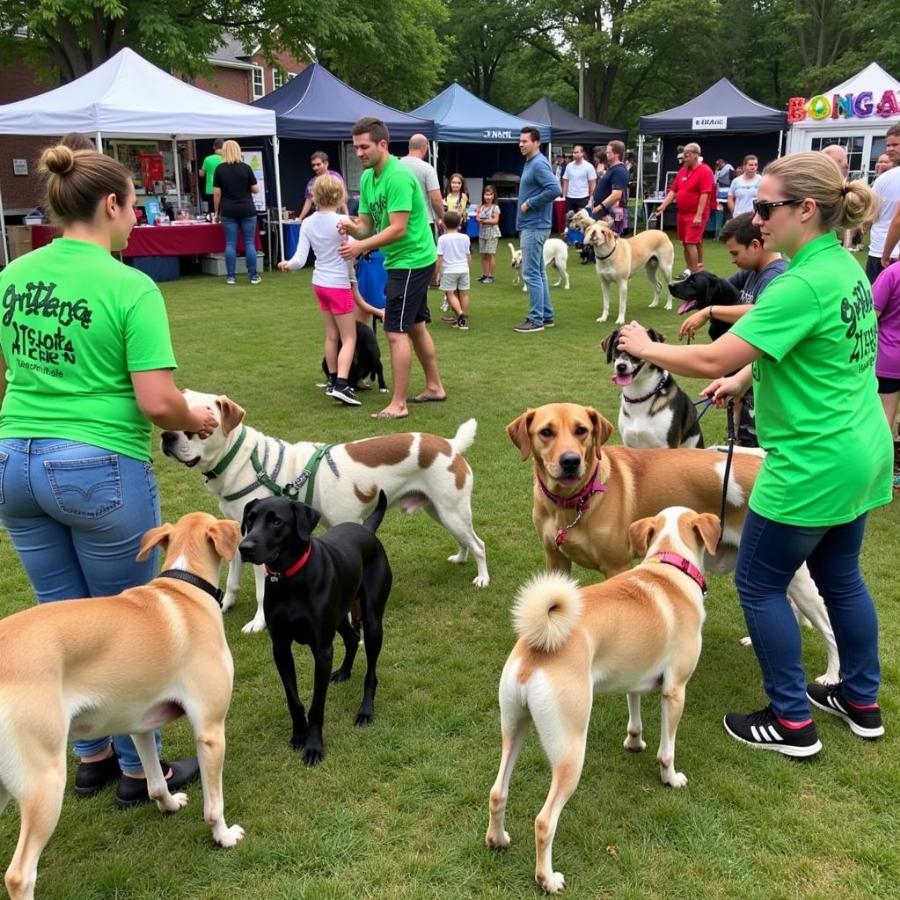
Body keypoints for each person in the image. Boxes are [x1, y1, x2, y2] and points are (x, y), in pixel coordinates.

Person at [617, 151, 891, 757]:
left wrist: (646, 346)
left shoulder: (799, 281)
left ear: (805, 209)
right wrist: (743, 383)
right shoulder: (843, 267)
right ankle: (860, 697)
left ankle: (791, 721)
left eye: (765, 207)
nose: (754, 218)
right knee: (840, 576)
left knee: (758, 581)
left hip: (814, 461)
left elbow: (715, 355)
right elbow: (811, 349)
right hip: (861, 448)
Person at [0, 144, 218, 807]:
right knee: (131, 630)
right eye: (134, 206)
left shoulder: (14, 275)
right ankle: (131, 769)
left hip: (14, 462)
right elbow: (157, 401)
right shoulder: (131, 285)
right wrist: (197, 419)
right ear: (111, 205)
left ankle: (86, 754)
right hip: (95, 467)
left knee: (60, 618)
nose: (137, 219)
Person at [338, 117, 446, 419]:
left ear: (382, 144)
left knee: (395, 331)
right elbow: (367, 226)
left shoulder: (398, 176)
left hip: (411, 259)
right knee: (414, 325)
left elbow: (398, 228)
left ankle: (398, 404)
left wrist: (362, 246)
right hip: (400, 260)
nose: (359, 153)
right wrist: (351, 227)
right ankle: (435, 387)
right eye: (355, 147)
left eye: (364, 147)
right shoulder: (367, 178)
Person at [679, 213, 788, 446]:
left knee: (756, 446)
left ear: (756, 246)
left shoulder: (775, 276)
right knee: (741, 435)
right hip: (748, 371)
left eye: (735, 253)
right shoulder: (751, 272)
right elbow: (720, 286)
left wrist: (709, 311)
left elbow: (759, 310)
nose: (732, 259)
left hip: (764, 377)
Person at [277, 174, 366, 406]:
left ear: (315, 196)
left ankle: (333, 379)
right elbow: (353, 251)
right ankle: (342, 385)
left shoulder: (307, 222)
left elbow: (299, 259)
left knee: (331, 335)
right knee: (349, 338)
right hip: (338, 284)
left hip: (320, 283)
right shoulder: (344, 221)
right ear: (340, 195)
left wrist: (287, 265)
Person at [513, 126, 560, 333]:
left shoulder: (539, 163)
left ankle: (536, 320)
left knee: (531, 273)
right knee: (538, 272)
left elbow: (555, 189)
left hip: (535, 225)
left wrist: (530, 203)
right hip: (533, 225)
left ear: (536, 143)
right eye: (520, 141)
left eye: (525, 141)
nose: (521, 144)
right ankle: (546, 316)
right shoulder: (531, 162)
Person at [650, 142, 715, 274]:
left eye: (687, 155)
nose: (684, 158)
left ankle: (696, 272)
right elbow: (673, 191)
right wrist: (662, 207)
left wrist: (698, 215)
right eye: (683, 155)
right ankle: (690, 268)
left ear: (696, 155)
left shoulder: (705, 171)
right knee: (685, 242)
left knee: (691, 242)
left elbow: (705, 194)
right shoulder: (682, 171)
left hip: (696, 213)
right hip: (682, 213)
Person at [213, 139, 260, 286]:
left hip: (228, 210)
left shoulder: (219, 169)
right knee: (249, 243)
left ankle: (231, 276)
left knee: (230, 244)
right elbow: (256, 189)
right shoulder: (246, 168)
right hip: (247, 209)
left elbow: (217, 194)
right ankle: (253, 275)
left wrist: (216, 212)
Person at [871, 263, 900, 487]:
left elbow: (871, 315)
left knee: (883, 421)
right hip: (890, 359)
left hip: (889, 357)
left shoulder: (892, 273)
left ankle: (879, 474)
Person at [866, 125, 900, 282]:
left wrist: (886, 254)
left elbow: (897, 220)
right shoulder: (884, 179)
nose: (890, 149)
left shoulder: (883, 179)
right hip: (880, 247)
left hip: (885, 253)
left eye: (895, 144)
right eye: (888, 145)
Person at [436, 211, 472, 330]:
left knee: (450, 294)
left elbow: (440, 257)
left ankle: (460, 314)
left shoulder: (442, 239)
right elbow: (468, 255)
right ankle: (463, 318)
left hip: (449, 270)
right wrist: (468, 268)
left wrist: (437, 272)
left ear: (444, 224)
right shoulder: (465, 237)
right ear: (459, 224)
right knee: (464, 293)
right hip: (463, 269)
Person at [400, 134, 445, 229]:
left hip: (399, 221)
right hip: (424, 220)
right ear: (425, 147)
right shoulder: (427, 168)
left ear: (409, 147)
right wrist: (441, 217)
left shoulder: (396, 166)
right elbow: (436, 199)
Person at [297, 151, 348, 222]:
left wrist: (347, 216)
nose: (315, 167)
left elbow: (342, 197)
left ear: (326, 163)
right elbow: (308, 201)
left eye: (318, 164)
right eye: (313, 165)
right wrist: (300, 218)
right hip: (320, 218)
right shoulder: (312, 182)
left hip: (336, 219)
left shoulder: (335, 177)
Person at [591, 140, 629, 234]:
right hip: (604, 211)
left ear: (616, 154)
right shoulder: (611, 168)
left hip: (613, 211)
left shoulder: (620, 170)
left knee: (614, 237)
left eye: (608, 152)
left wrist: (600, 206)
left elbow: (616, 195)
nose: (606, 154)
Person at [476, 184, 501, 283]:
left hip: (492, 233)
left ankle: (490, 276)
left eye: (490, 194)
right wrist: (480, 219)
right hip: (482, 233)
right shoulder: (481, 207)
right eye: (486, 194)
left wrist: (485, 221)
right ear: (483, 195)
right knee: (483, 254)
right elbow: (477, 217)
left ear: (494, 195)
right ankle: (485, 274)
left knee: (490, 254)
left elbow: (495, 220)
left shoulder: (495, 208)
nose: (488, 197)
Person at [561, 144, 596, 215]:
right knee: (569, 221)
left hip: (583, 198)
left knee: (582, 222)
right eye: (573, 152)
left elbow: (592, 184)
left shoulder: (589, 167)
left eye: (576, 152)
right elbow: (565, 181)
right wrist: (564, 197)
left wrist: (591, 200)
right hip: (570, 198)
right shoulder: (569, 166)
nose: (574, 154)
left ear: (582, 153)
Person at [200, 138, 224, 214]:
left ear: (214, 147)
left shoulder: (207, 159)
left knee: (213, 213)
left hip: (211, 189)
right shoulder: (226, 159)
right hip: (224, 189)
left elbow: (202, 174)